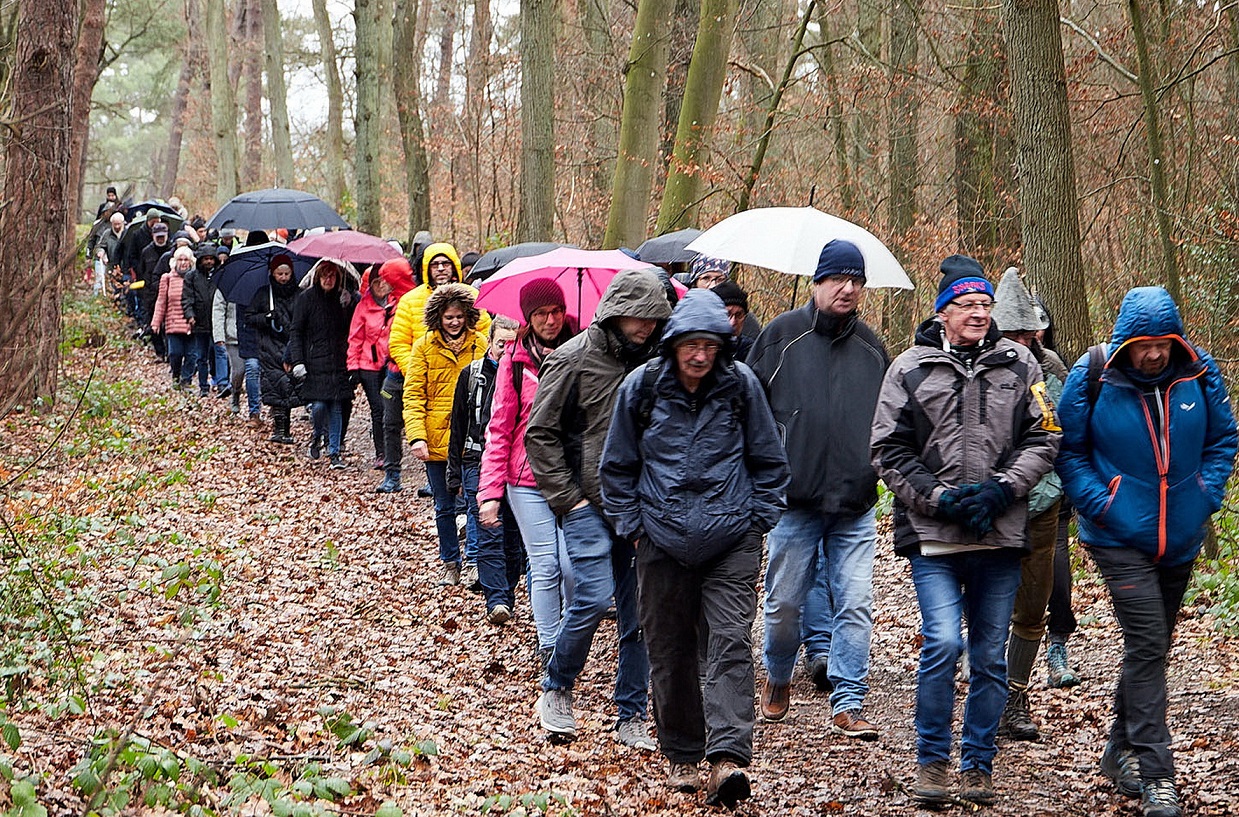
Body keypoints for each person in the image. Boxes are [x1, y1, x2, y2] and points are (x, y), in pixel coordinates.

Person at [870, 254, 1060, 808]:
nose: (978, 313)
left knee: (989, 656)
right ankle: (931, 762)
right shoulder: (908, 367)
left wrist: (1004, 488)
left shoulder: (1021, 365)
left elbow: (1046, 436)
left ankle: (978, 764)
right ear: (943, 312)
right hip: (935, 535)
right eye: (966, 304)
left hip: (999, 535)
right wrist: (939, 498)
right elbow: (887, 447)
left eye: (984, 304)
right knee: (943, 643)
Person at [599, 289, 789, 808]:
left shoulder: (741, 386)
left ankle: (727, 757)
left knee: (729, 641)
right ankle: (683, 755)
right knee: (670, 647)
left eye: (711, 344)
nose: (700, 355)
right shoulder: (641, 388)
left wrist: (757, 524)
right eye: (692, 344)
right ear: (674, 343)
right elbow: (616, 466)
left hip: (731, 538)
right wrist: (633, 526)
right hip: (659, 538)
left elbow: (770, 462)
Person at [1056, 286, 1236, 817]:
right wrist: (1102, 504)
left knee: (1150, 650)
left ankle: (1117, 750)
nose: (1153, 353)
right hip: (1117, 536)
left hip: (1179, 534)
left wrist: (1206, 493)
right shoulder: (1092, 377)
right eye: (1142, 344)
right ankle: (1158, 775)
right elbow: (1069, 450)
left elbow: (1224, 439)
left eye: (1162, 343)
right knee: (1148, 639)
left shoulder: (1199, 373)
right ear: (1124, 343)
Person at [525, 267, 673, 750]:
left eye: (655, 318)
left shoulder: (658, 363)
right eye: (640, 317)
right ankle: (557, 688)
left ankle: (630, 713)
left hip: (643, 507)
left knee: (641, 615)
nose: (648, 326)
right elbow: (539, 434)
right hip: (586, 502)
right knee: (590, 596)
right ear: (617, 312)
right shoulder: (572, 359)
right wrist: (569, 499)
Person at [746, 239, 888, 737]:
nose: (848, 289)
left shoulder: (873, 349)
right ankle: (779, 675)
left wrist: (877, 470)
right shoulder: (779, 338)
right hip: (793, 502)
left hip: (855, 502)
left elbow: (888, 424)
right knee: (784, 603)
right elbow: (751, 414)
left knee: (854, 601)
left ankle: (848, 702)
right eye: (838, 280)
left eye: (857, 281)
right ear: (817, 283)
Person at [987, 268, 1068, 743]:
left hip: (1042, 505)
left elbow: (1061, 431)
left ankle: (1016, 697)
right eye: (1010, 331)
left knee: (1033, 607)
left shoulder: (1051, 368)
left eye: (1024, 332)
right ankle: (989, 688)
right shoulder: (984, 366)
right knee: (991, 605)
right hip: (997, 506)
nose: (1019, 340)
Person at [478, 280, 578, 654]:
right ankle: (551, 645)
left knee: (572, 567)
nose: (550, 320)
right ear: (529, 318)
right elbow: (500, 427)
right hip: (525, 479)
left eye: (555, 312)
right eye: (540, 314)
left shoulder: (582, 352)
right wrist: (490, 493)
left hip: (571, 476)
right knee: (545, 565)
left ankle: (571, 631)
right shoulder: (515, 361)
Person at [405, 283, 488, 585]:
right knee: (444, 504)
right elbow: (413, 393)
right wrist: (417, 436)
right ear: (438, 317)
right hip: (437, 439)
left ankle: (475, 560)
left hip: (473, 437)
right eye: (448, 317)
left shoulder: (481, 345)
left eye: (459, 316)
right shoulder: (424, 346)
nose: (454, 322)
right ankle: (450, 561)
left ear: (468, 316)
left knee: (476, 501)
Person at [448, 314, 522, 619]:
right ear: (489, 342)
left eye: (511, 343)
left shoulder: (524, 373)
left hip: (514, 465)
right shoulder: (472, 375)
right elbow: (458, 424)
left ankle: (507, 589)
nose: (505, 349)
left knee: (513, 537)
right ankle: (497, 599)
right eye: (500, 343)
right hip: (476, 460)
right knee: (489, 530)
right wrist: (454, 472)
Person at [1035, 295, 1082, 689]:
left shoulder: (1054, 367)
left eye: (1038, 324)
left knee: (1057, 572)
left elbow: (1066, 428)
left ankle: (1057, 644)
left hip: (1053, 489)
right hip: (1008, 491)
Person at [288, 258, 360, 469]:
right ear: (318, 276)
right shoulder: (306, 299)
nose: (328, 279)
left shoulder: (344, 299)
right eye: (325, 275)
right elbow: (296, 331)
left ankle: (334, 451)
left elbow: (351, 328)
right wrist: (297, 360)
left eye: (332, 275)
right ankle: (317, 434)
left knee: (337, 407)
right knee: (319, 406)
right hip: (314, 362)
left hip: (338, 361)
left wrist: (349, 304)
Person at [348, 263, 412, 471]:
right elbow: (355, 338)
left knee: (390, 408)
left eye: (384, 281)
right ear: (370, 284)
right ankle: (381, 453)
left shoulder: (398, 302)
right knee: (378, 409)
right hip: (369, 365)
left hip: (391, 364)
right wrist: (353, 367)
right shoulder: (363, 306)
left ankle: (392, 450)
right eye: (377, 282)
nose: (381, 286)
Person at [247, 255, 302, 444]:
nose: (284, 277)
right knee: (275, 386)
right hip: (269, 346)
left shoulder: (299, 294)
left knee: (289, 385)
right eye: (280, 273)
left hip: (291, 345)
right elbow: (250, 318)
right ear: (273, 273)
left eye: (287, 273)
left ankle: (286, 428)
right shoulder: (263, 294)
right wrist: (265, 318)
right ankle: (279, 428)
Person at [150, 246, 196, 389]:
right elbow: (161, 301)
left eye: (186, 260)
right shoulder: (167, 278)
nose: (183, 263)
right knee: (175, 353)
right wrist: (156, 322)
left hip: (192, 323)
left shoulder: (195, 278)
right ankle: (176, 376)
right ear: (175, 261)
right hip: (173, 323)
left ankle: (186, 380)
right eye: (180, 260)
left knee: (191, 355)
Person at [182, 245, 222, 397]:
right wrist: (190, 315)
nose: (209, 262)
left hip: (216, 321)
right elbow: (186, 297)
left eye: (211, 259)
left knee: (217, 354)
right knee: (201, 356)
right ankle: (203, 386)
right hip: (199, 322)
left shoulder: (219, 275)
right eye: (206, 259)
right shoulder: (191, 276)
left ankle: (220, 382)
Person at [709, 280, 754, 362]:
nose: (732, 322)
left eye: (739, 315)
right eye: (726, 315)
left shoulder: (751, 350)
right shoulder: (702, 350)